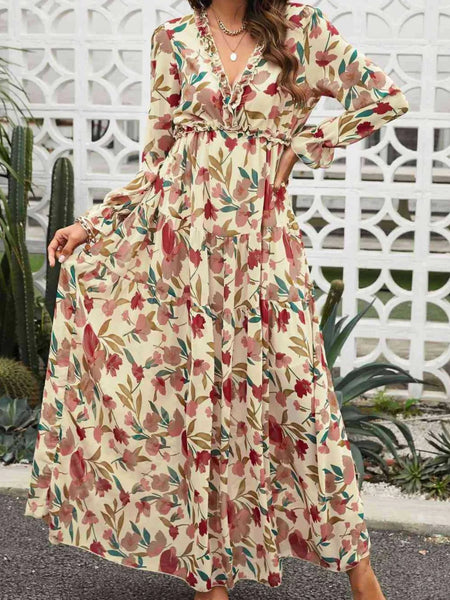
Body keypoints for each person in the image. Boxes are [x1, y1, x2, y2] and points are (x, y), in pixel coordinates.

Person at [24, 1, 409, 599]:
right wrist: (94, 224)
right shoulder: (174, 38)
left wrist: (305, 142)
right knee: (199, 408)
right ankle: (211, 578)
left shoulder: (299, 29)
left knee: (303, 402)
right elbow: (159, 164)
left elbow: (384, 97)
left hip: (265, 251)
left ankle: (361, 570)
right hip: (187, 257)